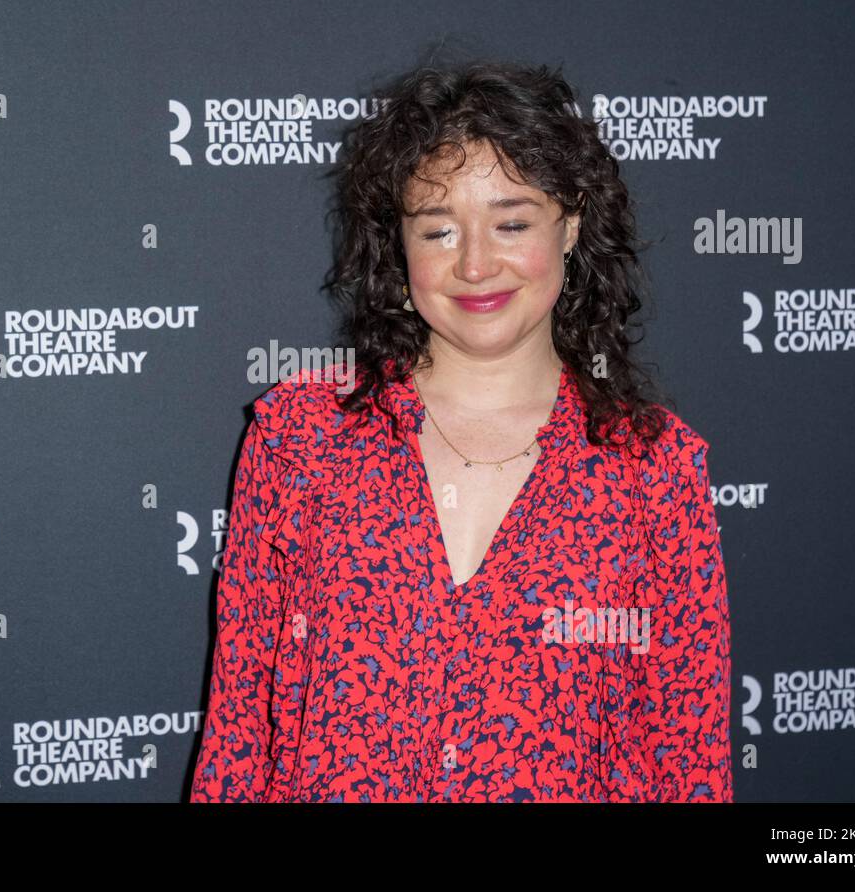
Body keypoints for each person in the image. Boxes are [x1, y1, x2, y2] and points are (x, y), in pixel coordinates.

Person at [188, 59, 732, 802]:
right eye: (438, 229)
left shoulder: (655, 469)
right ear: (400, 244)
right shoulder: (299, 438)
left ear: (570, 225)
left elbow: (688, 755)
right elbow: (239, 729)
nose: (476, 264)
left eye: (511, 222)